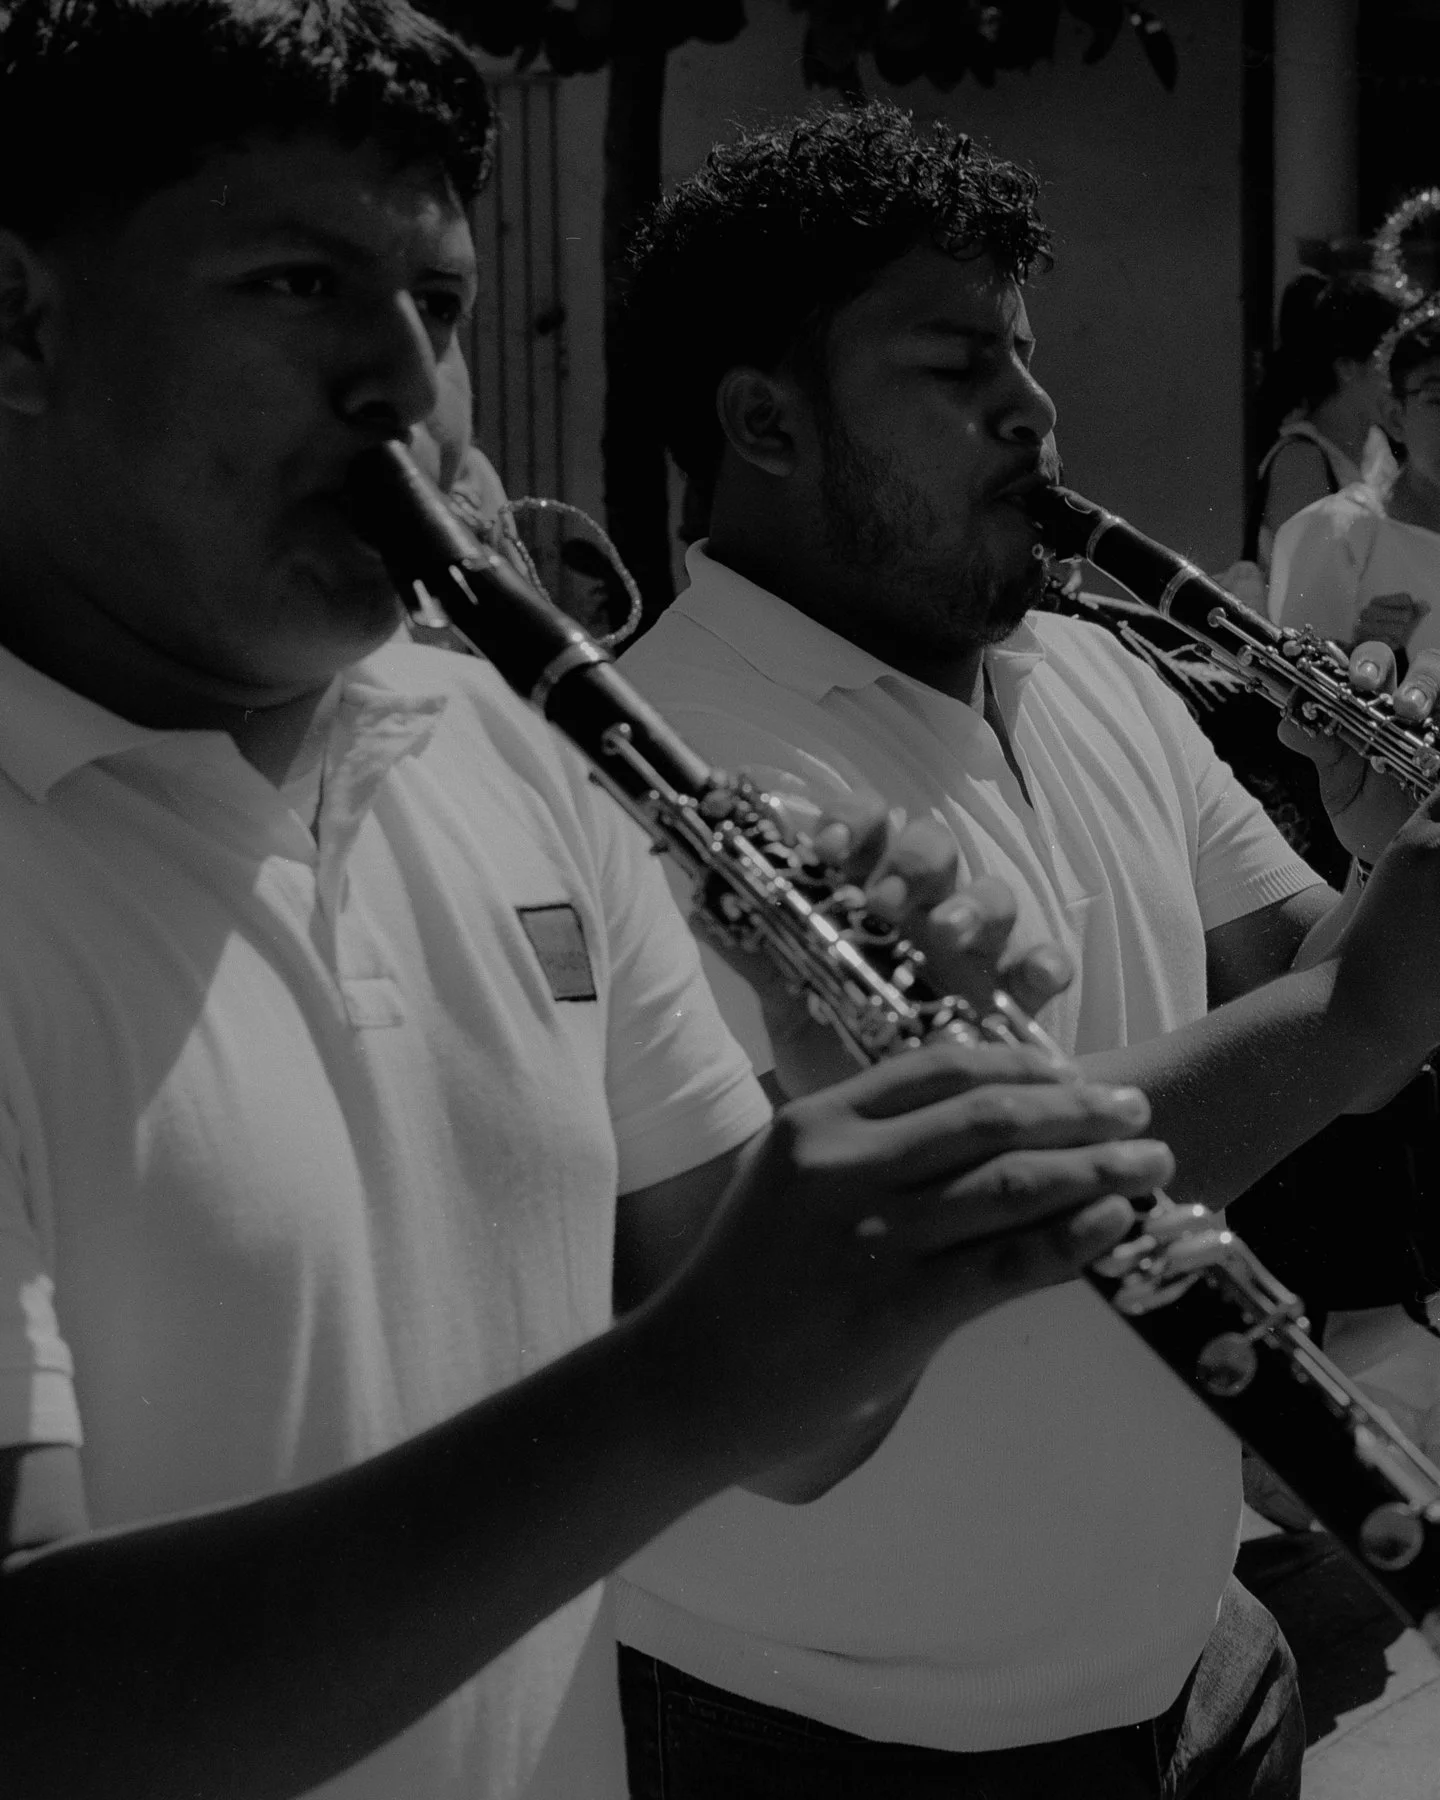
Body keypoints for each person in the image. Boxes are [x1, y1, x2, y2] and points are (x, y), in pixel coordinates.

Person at [0, 13, 1180, 1800]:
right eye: (298, 285)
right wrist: (683, 1390)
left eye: (444, 305)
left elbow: (790, 1444)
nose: (407, 384)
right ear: (22, 322)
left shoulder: (505, 750)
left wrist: (847, 1110)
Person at [612, 101, 1440, 1797]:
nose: (1035, 411)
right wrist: (1363, 1003)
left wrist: (1384, 868)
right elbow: (932, 1198)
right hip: (844, 1737)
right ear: (764, 420)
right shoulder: (668, 756)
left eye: (1029, 351)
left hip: (1197, 1673)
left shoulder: (1094, 670)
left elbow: (1290, 958)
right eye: (953, 363)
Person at [1270, 303, 1440, 672]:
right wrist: (1360, 649)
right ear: (1396, 417)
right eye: (1436, 400)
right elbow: (1293, 687)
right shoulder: (1341, 530)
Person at [1247, 269, 1400, 573]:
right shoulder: (1301, 459)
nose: (1400, 376)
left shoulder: (1377, 448)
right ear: (1347, 367)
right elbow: (1310, 587)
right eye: (1391, 362)